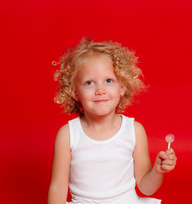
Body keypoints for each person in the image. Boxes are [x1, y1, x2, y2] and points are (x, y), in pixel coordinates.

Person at [48, 37, 177, 204]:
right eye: (89, 83)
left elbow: (146, 187)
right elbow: (57, 188)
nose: (100, 90)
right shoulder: (68, 135)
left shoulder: (134, 131)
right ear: (75, 92)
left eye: (109, 81)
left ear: (122, 87)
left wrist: (158, 171)